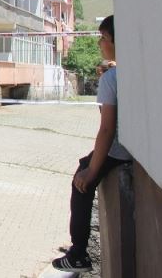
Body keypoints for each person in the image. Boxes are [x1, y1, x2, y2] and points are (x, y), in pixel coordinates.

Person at [53, 15, 132, 272]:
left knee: (81, 180)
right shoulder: (125, 72)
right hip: (132, 150)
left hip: (119, 151)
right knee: (85, 164)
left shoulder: (111, 79)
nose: (99, 43)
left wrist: (92, 171)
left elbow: (107, 129)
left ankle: (78, 253)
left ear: (117, 42)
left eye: (104, 38)